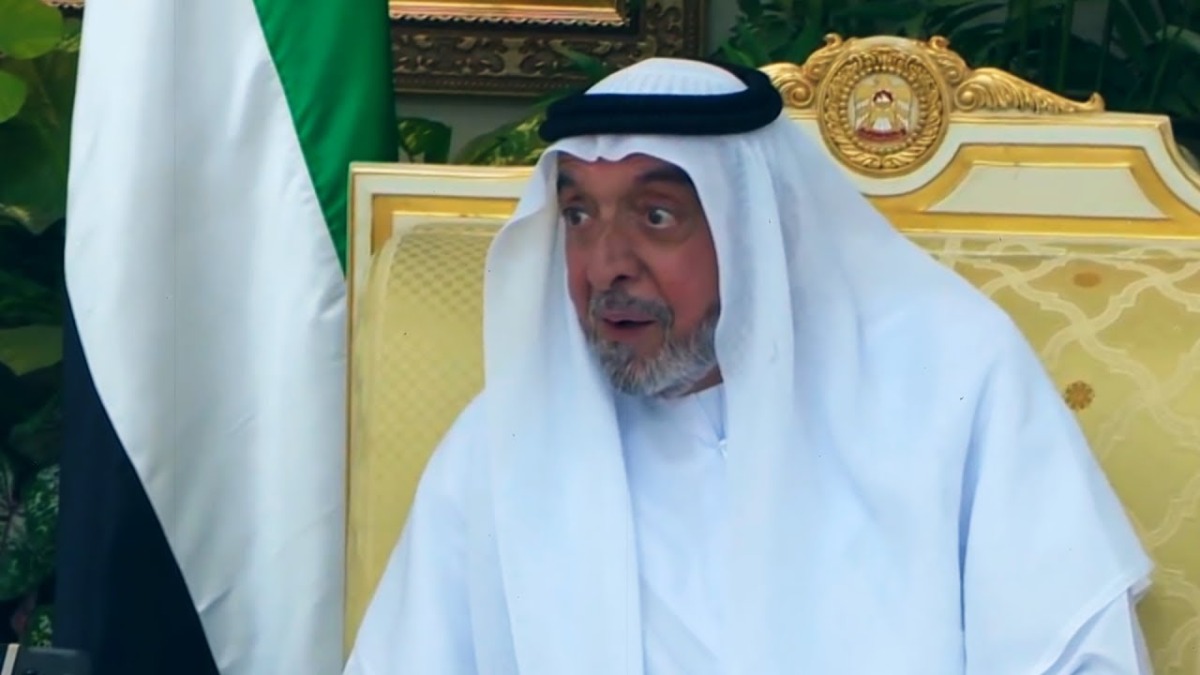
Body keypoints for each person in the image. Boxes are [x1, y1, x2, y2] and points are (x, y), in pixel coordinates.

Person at [343, 58, 1154, 674]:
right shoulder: (507, 443)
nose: (605, 264)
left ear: (757, 229)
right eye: (579, 215)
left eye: (656, 215)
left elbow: (1078, 651)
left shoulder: (952, 380)